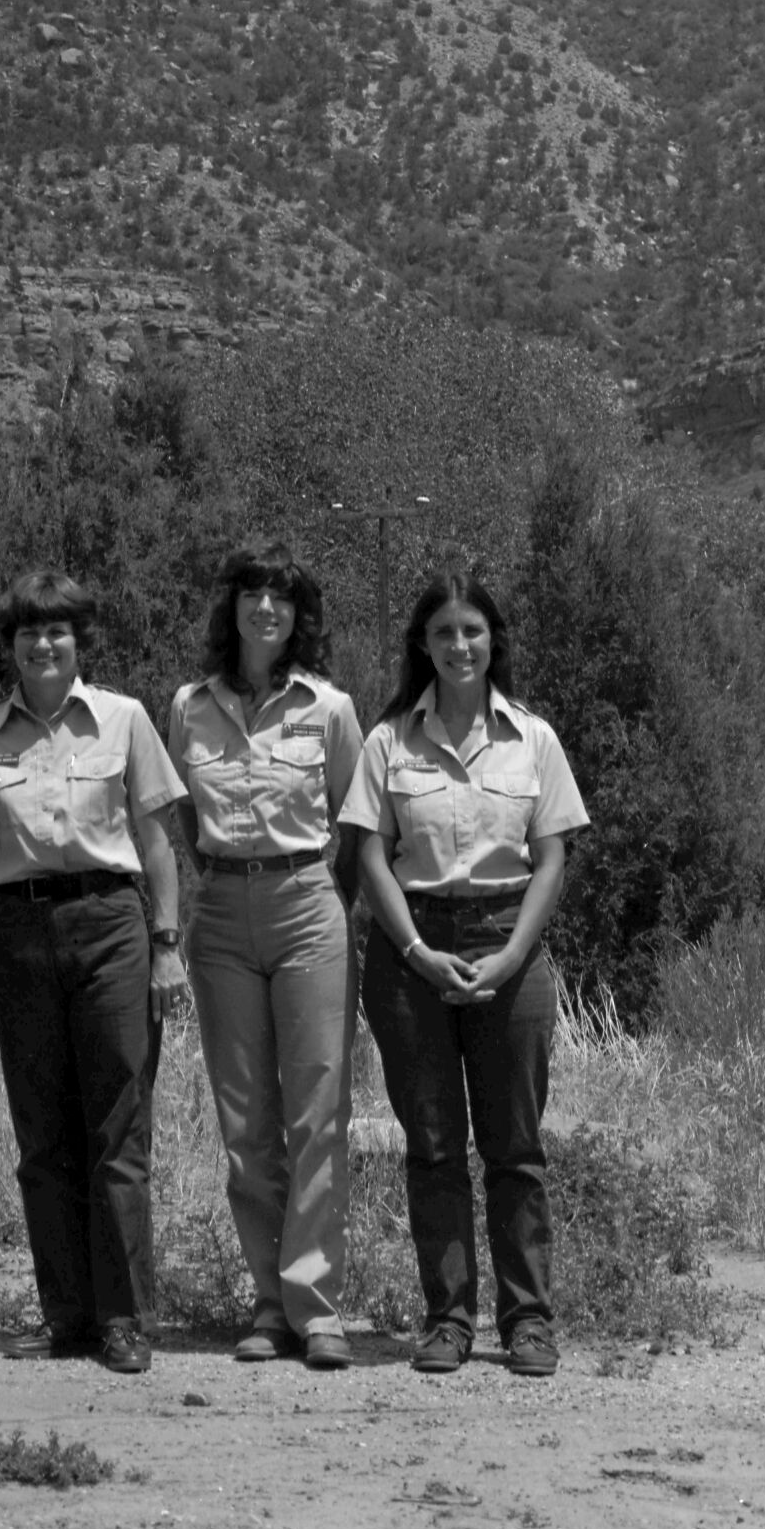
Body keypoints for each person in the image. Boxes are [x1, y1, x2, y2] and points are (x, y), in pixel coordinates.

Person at [339, 572, 588, 1378]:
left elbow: (551, 855)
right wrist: (412, 948)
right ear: (422, 643)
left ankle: (527, 1322)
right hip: (411, 953)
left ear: (493, 641)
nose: (458, 646)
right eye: (443, 632)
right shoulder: (386, 743)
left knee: (514, 1147)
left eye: (472, 631)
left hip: (506, 942)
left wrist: (513, 953)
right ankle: (446, 1318)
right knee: (435, 1144)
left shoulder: (533, 740)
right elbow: (368, 852)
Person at [0, 571, 189, 1375]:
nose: (42, 645)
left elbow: (157, 839)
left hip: (110, 924)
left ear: (77, 641)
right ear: (11, 647)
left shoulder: (123, 719)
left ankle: (123, 1317)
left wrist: (165, 942)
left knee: (116, 1128)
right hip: (18, 932)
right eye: (28, 633)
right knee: (41, 1135)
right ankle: (66, 1316)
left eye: (56, 631)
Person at [166, 545, 365, 1372]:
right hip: (219, 911)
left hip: (307, 906)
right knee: (245, 1121)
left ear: (298, 616)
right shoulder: (187, 705)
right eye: (253, 594)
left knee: (314, 1110)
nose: (266, 610)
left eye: (281, 598)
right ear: (233, 608)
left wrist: (318, 895)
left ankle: (315, 1305)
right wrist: (213, 880)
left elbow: (353, 825)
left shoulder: (329, 708)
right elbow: (181, 817)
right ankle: (267, 1303)